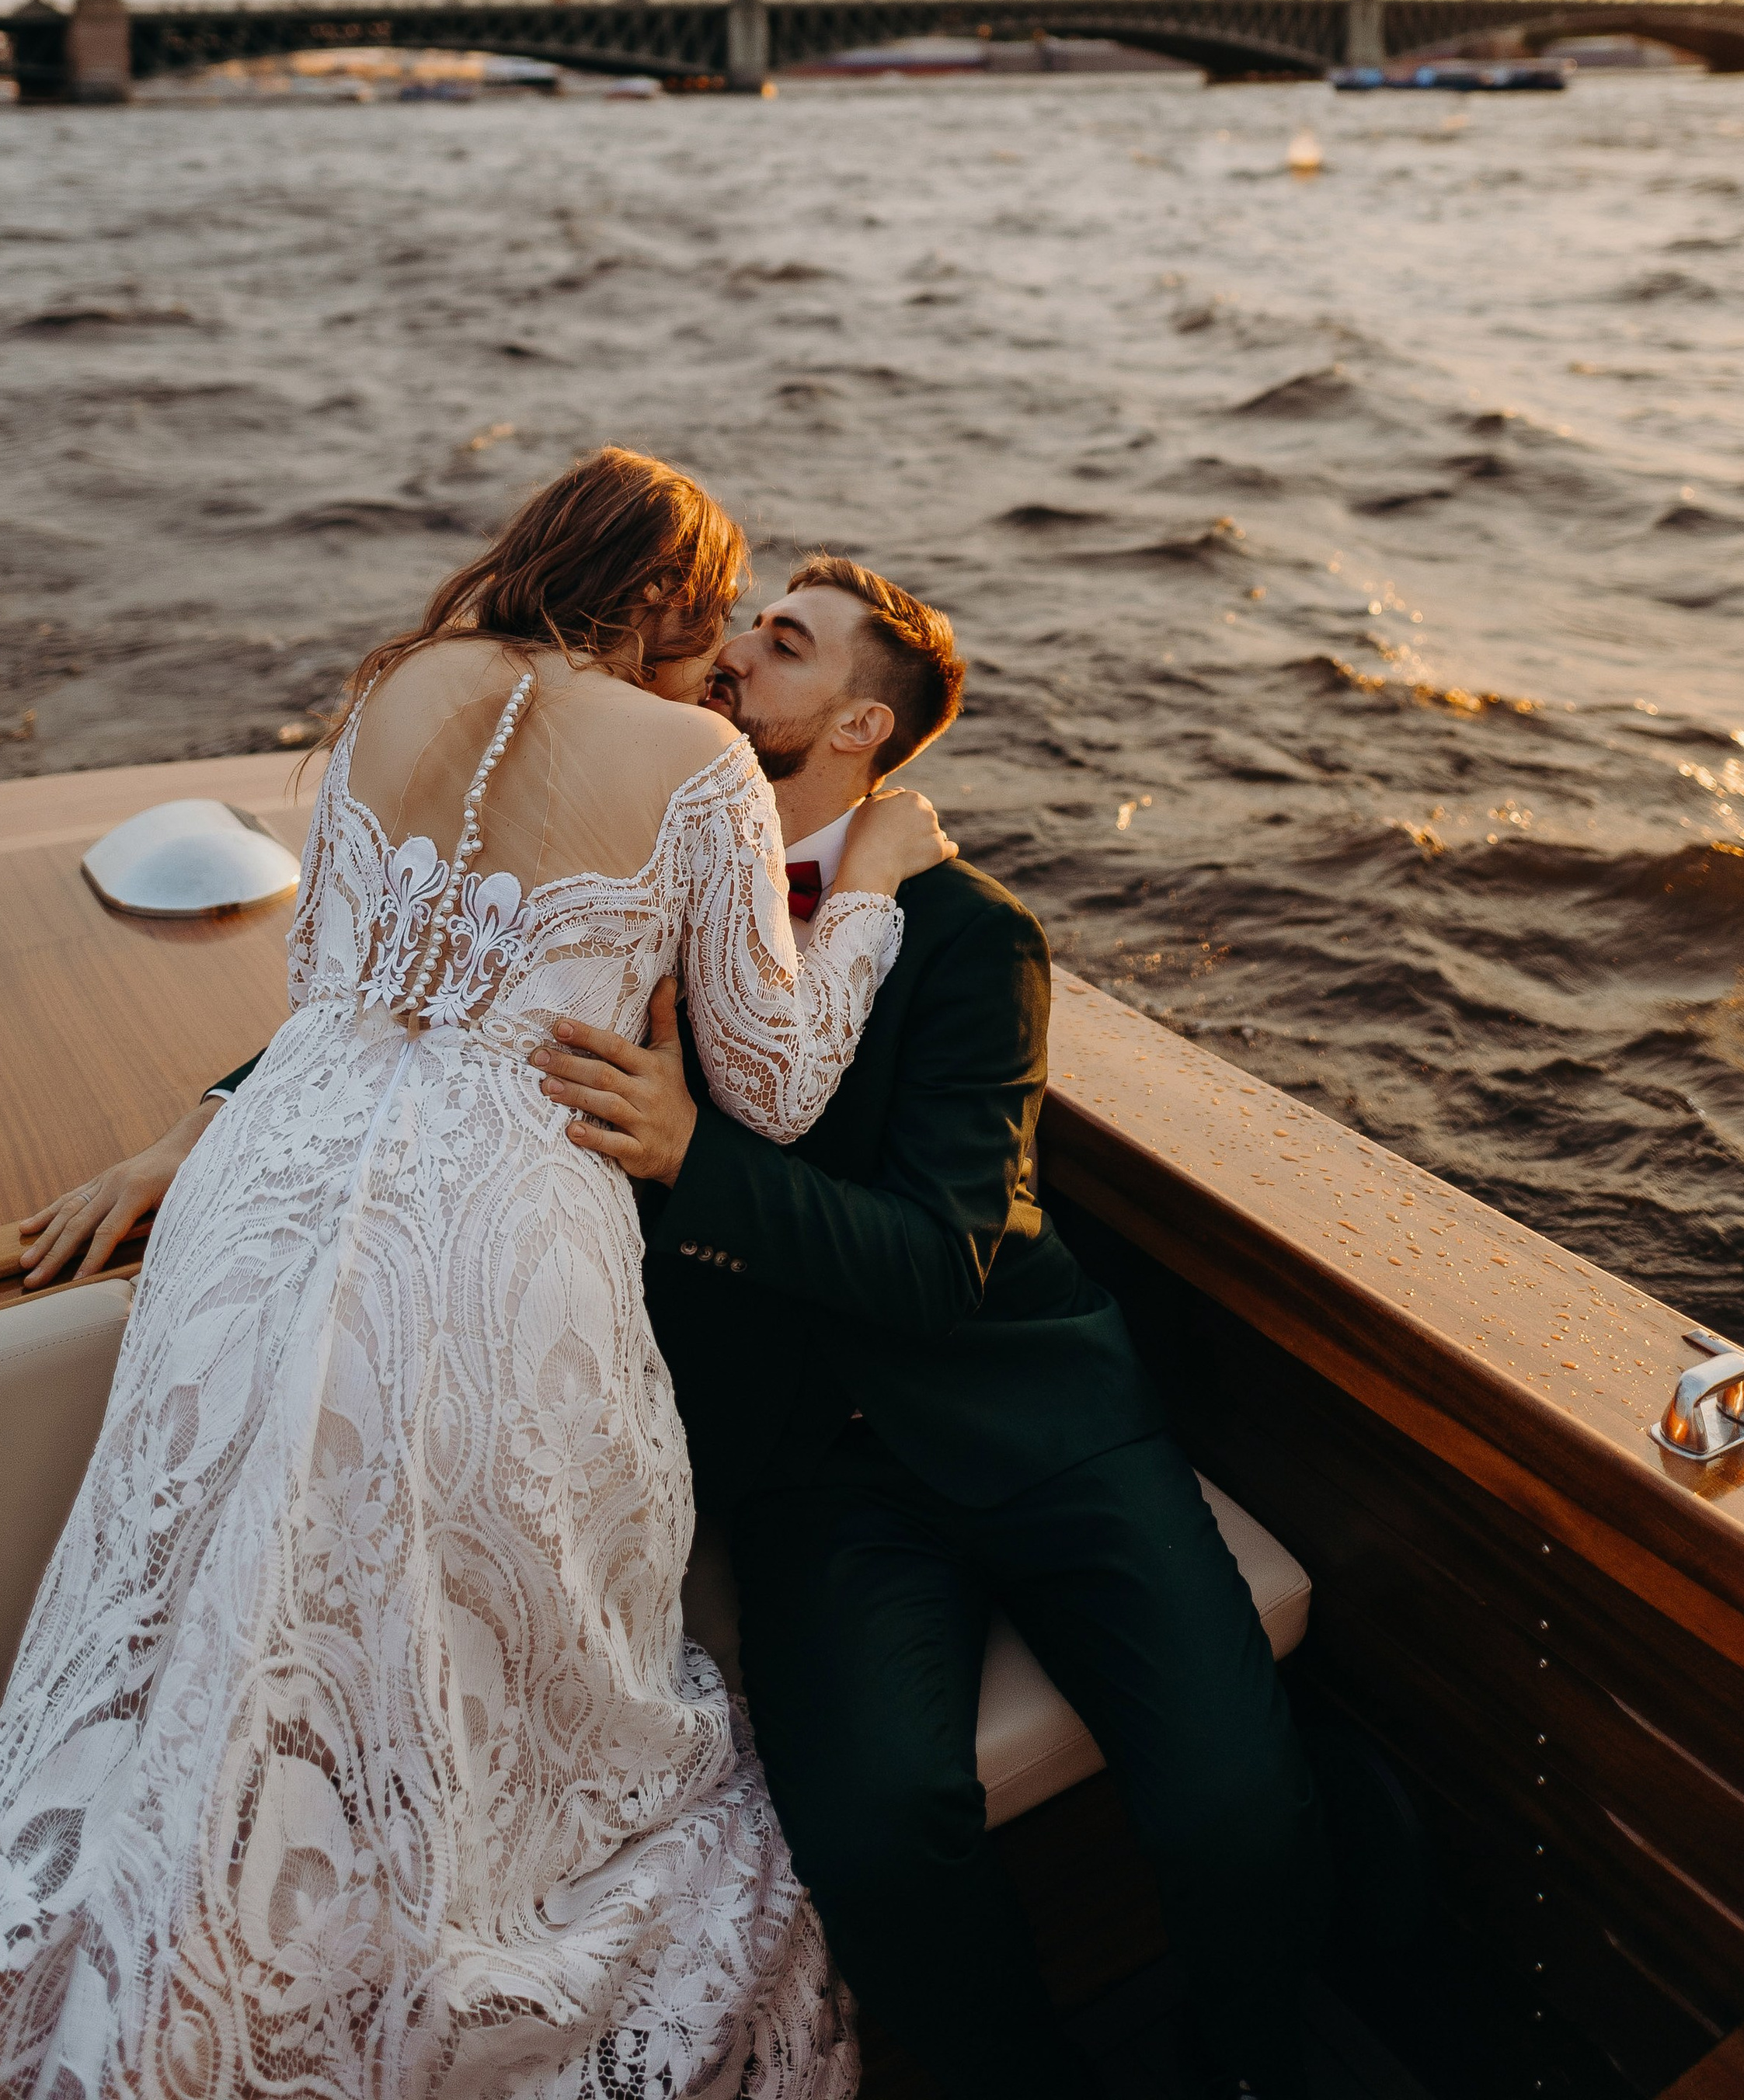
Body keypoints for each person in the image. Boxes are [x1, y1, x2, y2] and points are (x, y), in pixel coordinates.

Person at [0, 449, 952, 2100]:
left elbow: (328, 979)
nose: (713, 652)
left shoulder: (393, 686)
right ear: (656, 592)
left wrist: (184, 1139)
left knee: (206, 1597)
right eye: (709, 614)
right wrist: (862, 891)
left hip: (271, 1183)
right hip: (489, 1227)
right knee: (455, 1647)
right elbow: (776, 1081)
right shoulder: (701, 758)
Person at [529, 558, 1326, 2100]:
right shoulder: (642, 885)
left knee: (1234, 1793)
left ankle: (1245, 2072)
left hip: (1038, 1427)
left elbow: (945, 1259)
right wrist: (202, 1128)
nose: (733, 651)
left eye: (783, 640)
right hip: (812, 1478)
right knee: (875, 1821)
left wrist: (700, 1161)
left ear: (862, 724)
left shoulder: (968, 938)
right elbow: (429, 986)